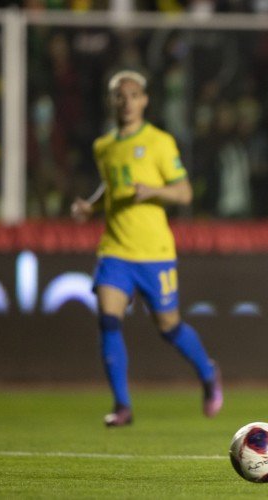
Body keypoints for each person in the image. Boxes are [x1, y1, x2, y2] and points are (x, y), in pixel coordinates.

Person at [71, 70, 223, 427]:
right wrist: (90, 207)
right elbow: (112, 187)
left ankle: (207, 372)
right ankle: (122, 406)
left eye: (133, 94)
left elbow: (184, 192)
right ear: (112, 101)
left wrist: (153, 191)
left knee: (168, 327)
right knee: (108, 319)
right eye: (119, 95)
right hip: (115, 250)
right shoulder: (103, 146)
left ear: (145, 100)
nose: (126, 101)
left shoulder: (159, 142)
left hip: (154, 252)